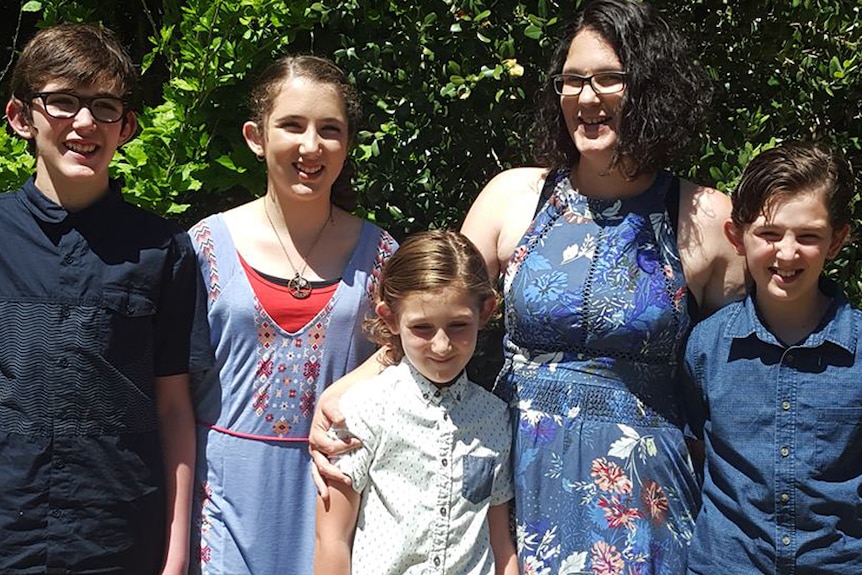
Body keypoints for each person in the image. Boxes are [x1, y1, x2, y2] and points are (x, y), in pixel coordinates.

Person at [310, 1, 746, 574]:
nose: (586, 98)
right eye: (572, 80)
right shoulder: (513, 196)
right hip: (516, 480)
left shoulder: (709, 219)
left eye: (608, 79)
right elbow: (437, 309)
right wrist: (345, 393)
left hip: (645, 501)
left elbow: (740, 390)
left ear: (650, 86)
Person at [188, 54, 397, 574]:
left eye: (330, 130)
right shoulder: (204, 247)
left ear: (347, 144)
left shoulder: (382, 257)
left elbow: (414, 358)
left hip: (336, 493)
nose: (311, 146)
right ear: (256, 137)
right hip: (223, 498)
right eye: (291, 125)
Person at [0, 23, 196, 574]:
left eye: (104, 106)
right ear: (21, 117)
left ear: (126, 126)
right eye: (62, 102)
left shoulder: (164, 251)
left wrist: (176, 551)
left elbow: (175, 408)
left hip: (117, 537)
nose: (84, 123)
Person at [682, 143, 860, 574]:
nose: (786, 253)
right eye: (769, 234)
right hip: (726, 563)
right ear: (736, 237)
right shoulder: (706, 346)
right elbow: (693, 453)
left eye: (809, 236)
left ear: (837, 240)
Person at [313, 230, 517, 575]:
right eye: (422, 328)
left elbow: (499, 542)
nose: (441, 346)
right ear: (391, 318)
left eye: (458, 325)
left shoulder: (494, 417)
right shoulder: (363, 410)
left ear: (485, 313)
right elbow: (331, 538)